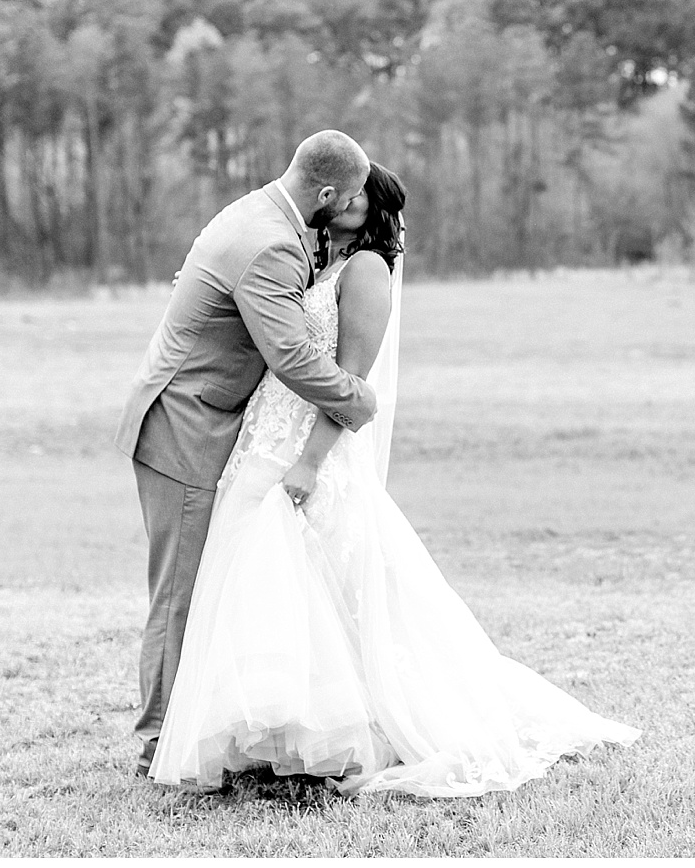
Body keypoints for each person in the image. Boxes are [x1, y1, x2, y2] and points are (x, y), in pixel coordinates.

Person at [150, 162, 639, 796]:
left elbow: (355, 381)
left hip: (306, 449)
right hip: (265, 436)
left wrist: (309, 461)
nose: (346, 198)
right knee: (261, 583)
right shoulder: (318, 262)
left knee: (320, 584)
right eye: (342, 190)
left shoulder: (369, 271)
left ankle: (339, 731)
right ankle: (266, 736)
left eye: (358, 193)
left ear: (373, 206)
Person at [115, 130, 380, 780]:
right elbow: (291, 355)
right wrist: (357, 400)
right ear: (324, 193)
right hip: (186, 423)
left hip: (197, 412)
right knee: (181, 591)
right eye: (346, 200)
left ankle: (190, 724)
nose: (349, 209)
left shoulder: (256, 211)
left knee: (197, 585)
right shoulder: (270, 244)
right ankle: (159, 738)